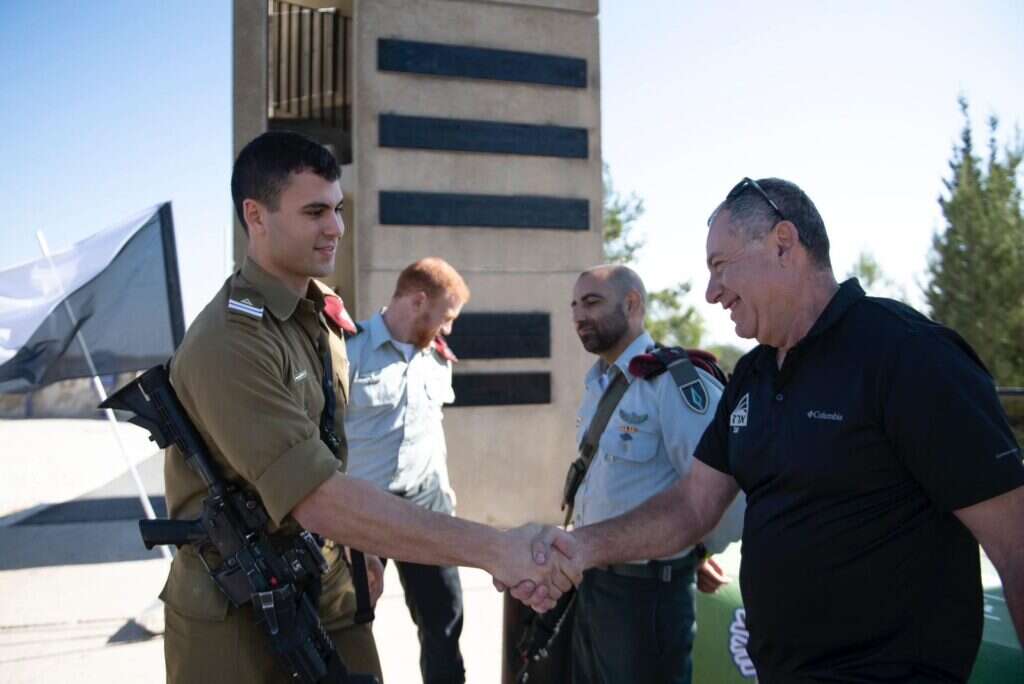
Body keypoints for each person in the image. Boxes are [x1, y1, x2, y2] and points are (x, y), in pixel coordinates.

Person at [526, 178, 1024, 683]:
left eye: (720, 265)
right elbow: (692, 505)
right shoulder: (752, 376)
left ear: (783, 243)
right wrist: (581, 547)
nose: (711, 292)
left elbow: (1015, 543)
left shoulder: (909, 356)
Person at [160, 130, 571, 684]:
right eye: (314, 212)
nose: (335, 228)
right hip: (240, 613)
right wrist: (498, 549)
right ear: (256, 216)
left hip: (326, 588)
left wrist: (358, 546)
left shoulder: (322, 317)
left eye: (337, 209)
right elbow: (316, 496)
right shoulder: (231, 340)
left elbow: (334, 454)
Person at [561, 264, 740, 684]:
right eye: (574, 306)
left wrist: (694, 551)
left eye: (592, 302)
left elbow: (729, 490)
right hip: (594, 584)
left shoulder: (675, 382)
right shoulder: (598, 384)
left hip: (646, 597)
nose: (579, 316)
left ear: (632, 305)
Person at [344, 257, 469, 684]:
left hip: (424, 505)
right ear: (418, 301)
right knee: (347, 623)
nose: (448, 329)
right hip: (361, 510)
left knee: (445, 620)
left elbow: (433, 433)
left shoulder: (437, 359)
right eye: (446, 317)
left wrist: (445, 496)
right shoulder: (348, 350)